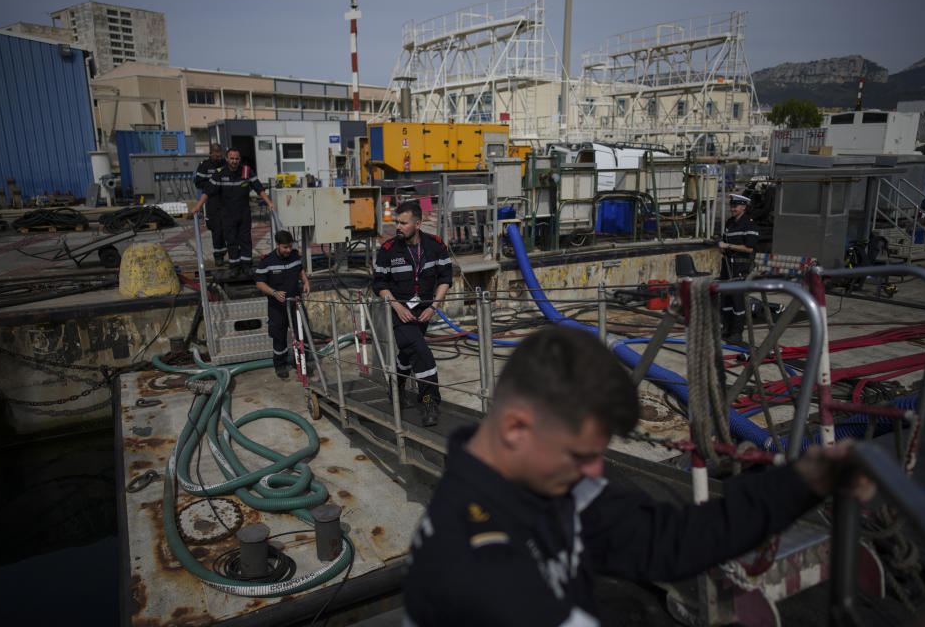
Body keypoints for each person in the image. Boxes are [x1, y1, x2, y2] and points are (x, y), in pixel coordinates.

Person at [403, 326, 875, 626]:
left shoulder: (544, 485)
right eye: (582, 454)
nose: (595, 470)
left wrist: (804, 481)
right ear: (515, 428)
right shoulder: (471, 565)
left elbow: (668, 540)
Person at [372, 201, 452, 426]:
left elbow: (445, 279)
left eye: (403, 223)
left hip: (425, 311)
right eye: (396, 222)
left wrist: (434, 307)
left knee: (408, 353)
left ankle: (395, 386)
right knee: (421, 353)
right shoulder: (388, 251)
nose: (397, 226)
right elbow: (379, 284)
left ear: (418, 224)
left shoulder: (436, 246)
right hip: (399, 313)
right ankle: (429, 403)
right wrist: (397, 306)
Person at [190, 148, 275, 277]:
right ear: (227, 159)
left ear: (239, 159)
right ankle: (234, 266)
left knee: (246, 240)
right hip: (227, 214)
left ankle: (246, 266)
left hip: (243, 213)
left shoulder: (246, 171)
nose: (234, 161)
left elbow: (258, 188)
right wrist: (198, 206)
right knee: (232, 241)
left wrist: (269, 203)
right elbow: (208, 191)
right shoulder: (220, 173)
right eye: (232, 158)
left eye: (236, 158)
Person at [254, 230, 310, 379]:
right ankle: (280, 365)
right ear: (277, 245)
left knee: (301, 334)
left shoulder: (295, 256)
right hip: (277, 306)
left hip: (295, 303)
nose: (288, 250)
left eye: (290, 247)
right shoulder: (267, 261)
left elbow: (300, 270)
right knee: (279, 336)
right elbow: (259, 282)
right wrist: (273, 292)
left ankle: (302, 364)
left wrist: (306, 282)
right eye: (285, 247)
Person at [718, 193, 759, 344]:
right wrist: (722, 247)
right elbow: (724, 239)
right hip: (727, 264)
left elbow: (749, 248)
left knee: (737, 300)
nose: (732, 208)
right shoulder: (730, 223)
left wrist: (728, 246)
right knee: (726, 298)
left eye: (735, 206)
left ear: (743, 207)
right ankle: (727, 328)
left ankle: (737, 332)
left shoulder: (749, 224)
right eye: (731, 206)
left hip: (740, 266)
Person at [192, 143, 227, 266]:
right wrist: (212, 187)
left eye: (220, 156)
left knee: (228, 229)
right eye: (216, 156)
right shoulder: (204, 166)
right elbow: (198, 183)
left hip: (225, 201)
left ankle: (230, 253)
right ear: (211, 154)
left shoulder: (225, 163)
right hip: (212, 201)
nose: (218, 159)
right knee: (216, 229)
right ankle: (218, 256)